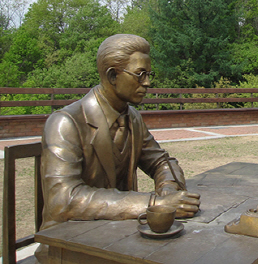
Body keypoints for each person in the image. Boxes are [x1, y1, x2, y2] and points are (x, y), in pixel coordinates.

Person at [39, 34, 200, 233]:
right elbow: (63, 200)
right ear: (112, 76)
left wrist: (167, 191)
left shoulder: (133, 118)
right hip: (67, 241)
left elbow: (161, 162)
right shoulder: (65, 123)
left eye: (149, 74)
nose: (147, 83)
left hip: (118, 232)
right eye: (140, 74)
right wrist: (154, 203)